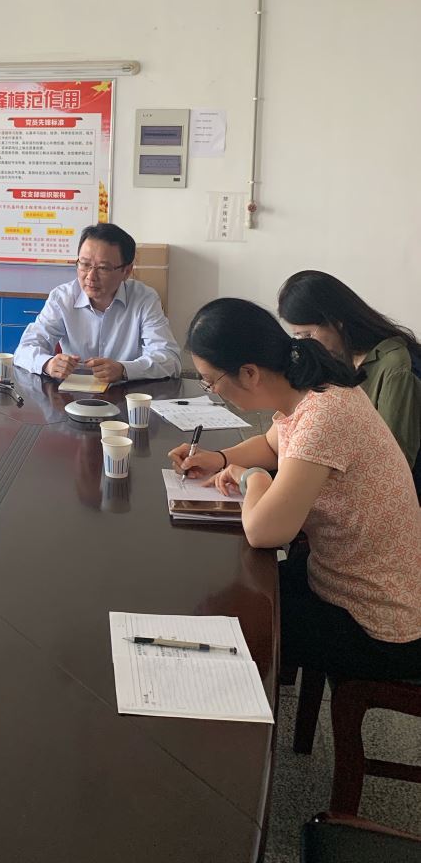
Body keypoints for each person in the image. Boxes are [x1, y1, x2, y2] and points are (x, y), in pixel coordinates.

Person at [170, 297, 421, 680]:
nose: (213, 391)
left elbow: (264, 532)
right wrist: (219, 458)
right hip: (342, 578)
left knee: (230, 618)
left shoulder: (324, 418)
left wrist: (253, 478)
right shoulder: (316, 391)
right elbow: (273, 445)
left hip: (381, 621)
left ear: (249, 373)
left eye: (211, 381)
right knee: (228, 589)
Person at [278, 269, 421, 489]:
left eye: (308, 335)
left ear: (337, 322)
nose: (305, 344)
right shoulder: (343, 357)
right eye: (298, 336)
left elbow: (394, 465)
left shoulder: (396, 368)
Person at [13, 223, 180, 384]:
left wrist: (124, 369)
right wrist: (47, 364)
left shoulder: (144, 299)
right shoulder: (62, 298)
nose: (90, 277)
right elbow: (24, 349)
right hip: (72, 394)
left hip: (126, 394)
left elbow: (170, 359)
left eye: (103, 268)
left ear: (126, 271)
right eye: (85, 264)